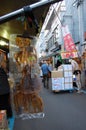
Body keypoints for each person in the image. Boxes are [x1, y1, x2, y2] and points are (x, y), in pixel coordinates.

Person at [0, 54, 13, 118]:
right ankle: (9, 115)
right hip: (6, 89)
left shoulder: (2, 68)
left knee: (2, 105)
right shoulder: (5, 68)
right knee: (6, 103)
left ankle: (5, 119)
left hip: (2, 90)